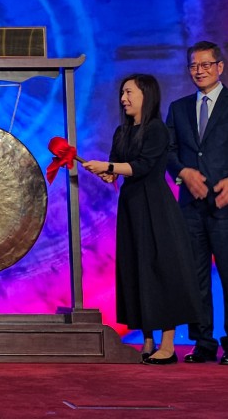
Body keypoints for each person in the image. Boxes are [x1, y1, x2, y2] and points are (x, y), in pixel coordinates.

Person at [82, 74, 200, 365]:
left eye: (129, 92)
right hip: (131, 206)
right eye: (122, 93)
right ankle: (147, 339)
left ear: (146, 95)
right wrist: (107, 173)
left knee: (162, 270)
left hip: (155, 206)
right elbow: (117, 168)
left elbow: (143, 166)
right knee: (137, 269)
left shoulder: (157, 129)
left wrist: (110, 166)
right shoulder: (121, 132)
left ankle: (168, 344)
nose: (124, 99)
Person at [166, 41, 228, 365]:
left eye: (206, 64)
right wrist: (184, 172)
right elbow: (169, 151)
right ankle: (202, 341)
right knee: (195, 278)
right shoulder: (178, 108)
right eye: (194, 65)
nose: (199, 70)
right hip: (190, 207)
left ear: (220, 67)